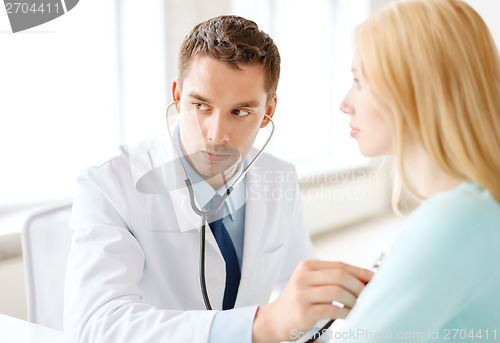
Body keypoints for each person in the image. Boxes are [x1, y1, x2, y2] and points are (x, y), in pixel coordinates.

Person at [64, 15, 374, 343]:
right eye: (201, 105)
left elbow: (299, 293)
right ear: (177, 94)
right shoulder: (108, 186)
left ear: (268, 111)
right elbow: (96, 326)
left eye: (240, 112)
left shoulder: (280, 178)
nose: (216, 135)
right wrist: (261, 325)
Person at [336, 0, 500, 341]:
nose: (345, 102)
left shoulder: (455, 220)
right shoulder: (479, 204)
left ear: (412, 90)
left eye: (359, 81)